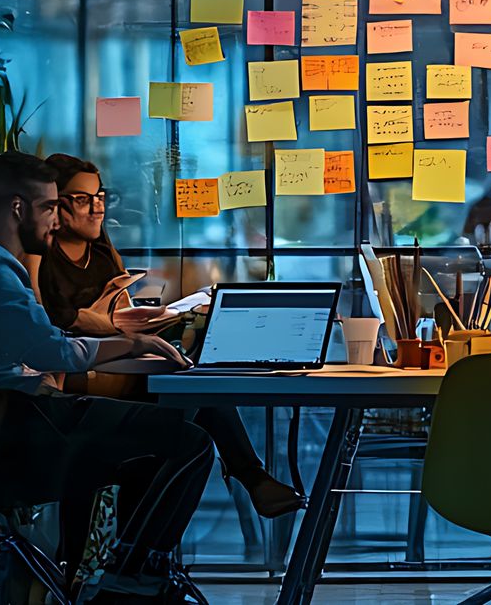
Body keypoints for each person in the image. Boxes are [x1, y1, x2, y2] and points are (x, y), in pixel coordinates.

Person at [0, 152, 210, 596]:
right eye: (50, 207)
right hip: (7, 433)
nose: (55, 221)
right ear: (18, 208)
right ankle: (130, 582)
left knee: (151, 448)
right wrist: (133, 343)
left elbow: (32, 349)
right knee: (190, 442)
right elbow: (49, 350)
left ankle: (130, 577)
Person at [30, 153, 305, 519]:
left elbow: (118, 309)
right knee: (186, 406)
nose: (97, 208)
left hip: (119, 364)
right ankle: (250, 478)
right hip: (78, 373)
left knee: (189, 394)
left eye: (101, 196)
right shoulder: (39, 255)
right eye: (82, 199)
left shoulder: (101, 253)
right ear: (55, 204)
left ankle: (149, 536)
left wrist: (158, 319)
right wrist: (113, 325)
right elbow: (47, 323)